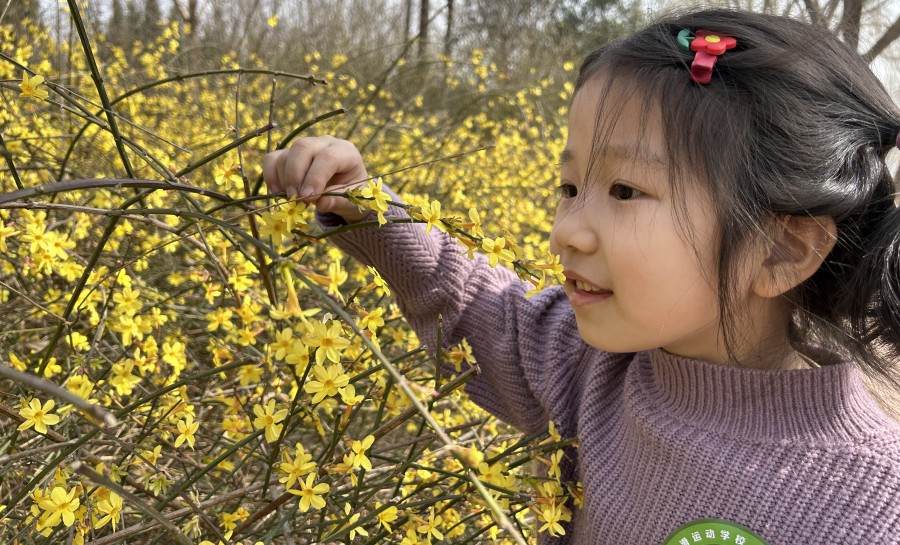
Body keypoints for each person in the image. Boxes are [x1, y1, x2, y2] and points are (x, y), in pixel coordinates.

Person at [262, 8, 900, 545]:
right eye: (569, 186)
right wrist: (369, 211)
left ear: (781, 251)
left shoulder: (870, 503)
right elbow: (468, 299)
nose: (567, 229)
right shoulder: (587, 369)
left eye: (624, 190)